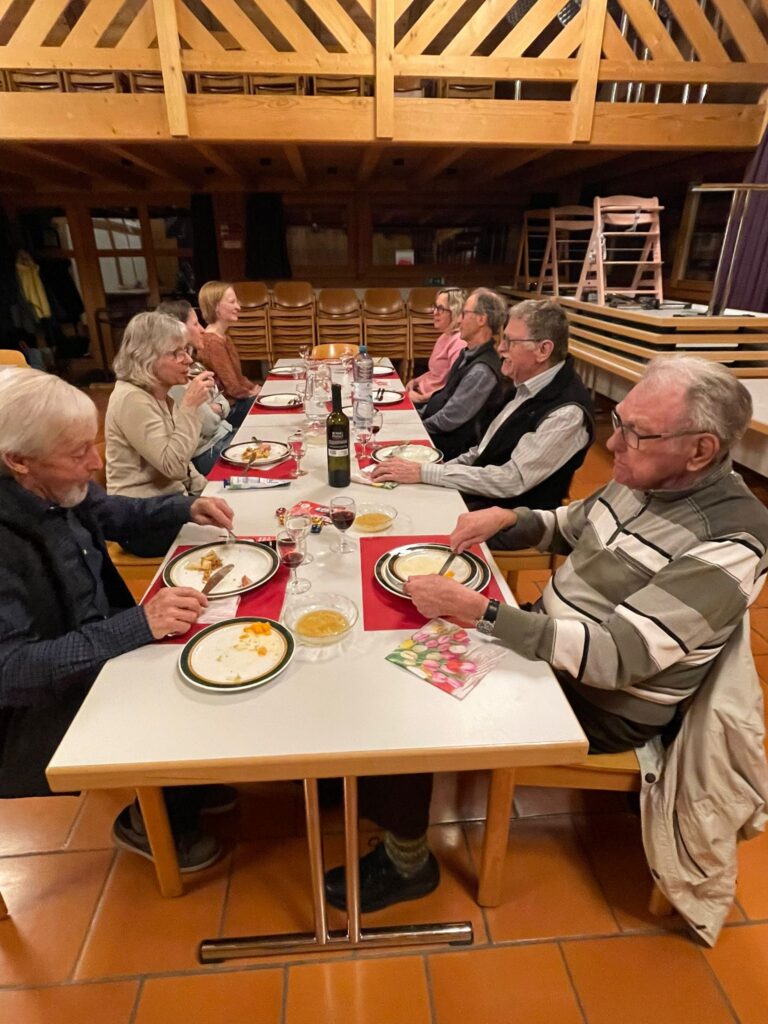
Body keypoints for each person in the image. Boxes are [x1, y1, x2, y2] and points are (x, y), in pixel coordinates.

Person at [326, 355, 768, 913]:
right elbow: (570, 524)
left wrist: (484, 614)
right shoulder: (649, 476)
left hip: (604, 701)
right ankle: (362, 775)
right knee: (393, 642)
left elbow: (616, 658)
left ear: (700, 450)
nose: (613, 443)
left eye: (635, 432)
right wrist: (507, 520)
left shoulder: (732, 539)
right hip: (557, 645)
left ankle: (407, 863)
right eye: (619, 421)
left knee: (411, 690)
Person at [0, 366, 236, 870]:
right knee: (191, 680)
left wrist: (186, 508)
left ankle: (187, 783)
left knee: (211, 642)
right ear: (17, 460)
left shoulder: (48, 486)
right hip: (30, 712)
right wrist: (137, 626)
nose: (96, 462)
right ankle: (152, 822)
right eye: (78, 453)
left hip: (88, 645)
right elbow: (12, 671)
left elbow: (113, 512)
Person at [373, 299, 594, 520]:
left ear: (543, 350)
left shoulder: (566, 413)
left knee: (403, 515)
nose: (500, 348)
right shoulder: (526, 385)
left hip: (509, 518)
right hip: (483, 496)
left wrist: (425, 472)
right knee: (390, 496)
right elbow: (480, 452)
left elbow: (511, 480)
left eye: (510, 341)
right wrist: (429, 471)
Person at [106, 311, 214, 557]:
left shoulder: (156, 393)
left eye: (186, 350)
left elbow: (183, 465)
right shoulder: (131, 399)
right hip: (142, 522)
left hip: (169, 505)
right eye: (176, 353)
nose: (188, 359)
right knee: (233, 533)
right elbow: (173, 466)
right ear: (146, 357)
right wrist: (189, 408)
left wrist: (208, 490)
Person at [418, 288, 507, 461]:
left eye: (464, 314)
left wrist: (417, 427)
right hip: (436, 433)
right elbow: (445, 397)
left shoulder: (481, 370)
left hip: (448, 449)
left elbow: (449, 418)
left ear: (481, 319)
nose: (458, 320)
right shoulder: (468, 354)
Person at [157, 299, 234, 476]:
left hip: (223, 433)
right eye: (195, 323)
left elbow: (222, 401)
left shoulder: (194, 365)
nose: (202, 329)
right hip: (208, 450)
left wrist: (217, 408)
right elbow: (209, 425)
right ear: (179, 329)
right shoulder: (174, 375)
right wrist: (215, 409)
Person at [196, 281, 260, 427]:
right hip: (229, 410)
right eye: (232, 302)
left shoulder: (223, 337)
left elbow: (238, 379)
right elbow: (233, 388)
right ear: (216, 307)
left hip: (235, 402)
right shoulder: (213, 342)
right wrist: (254, 393)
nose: (238, 307)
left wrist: (256, 388)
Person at [404, 288, 466, 405]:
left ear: (455, 311)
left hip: (428, 402)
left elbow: (453, 387)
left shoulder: (459, 342)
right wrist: (415, 381)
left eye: (441, 309)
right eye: (435, 307)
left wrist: (421, 398)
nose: (435, 312)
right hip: (420, 391)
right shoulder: (445, 336)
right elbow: (436, 374)